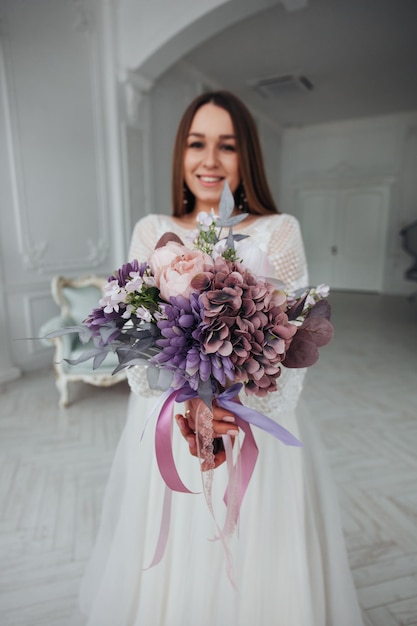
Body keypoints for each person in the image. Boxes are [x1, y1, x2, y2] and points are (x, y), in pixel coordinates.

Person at [77, 91, 363, 625]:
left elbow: (289, 349)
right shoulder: (150, 229)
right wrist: (188, 410)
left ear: (246, 155)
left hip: (254, 424)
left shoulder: (280, 229)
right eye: (197, 143)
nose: (209, 161)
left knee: (257, 553)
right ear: (180, 153)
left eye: (226, 146)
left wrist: (229, 409)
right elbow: (139, 344)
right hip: (172, 424)